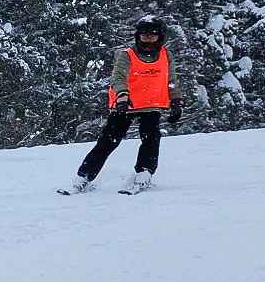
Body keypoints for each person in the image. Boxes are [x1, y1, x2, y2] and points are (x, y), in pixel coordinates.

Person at [61, 15, 182, 194]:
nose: (148, 38)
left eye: (152, 35)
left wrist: (176, 101)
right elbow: (118, 77)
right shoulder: (127, 55)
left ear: (160, 36)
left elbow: (171, 80)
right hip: (126, 104)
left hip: (152, 104)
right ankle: (84, 176)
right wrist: (123, 96)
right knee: (108, 141)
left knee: (151, 138)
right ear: (137, 36)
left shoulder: (166, 56)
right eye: (144, 35)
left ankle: (144, 173)